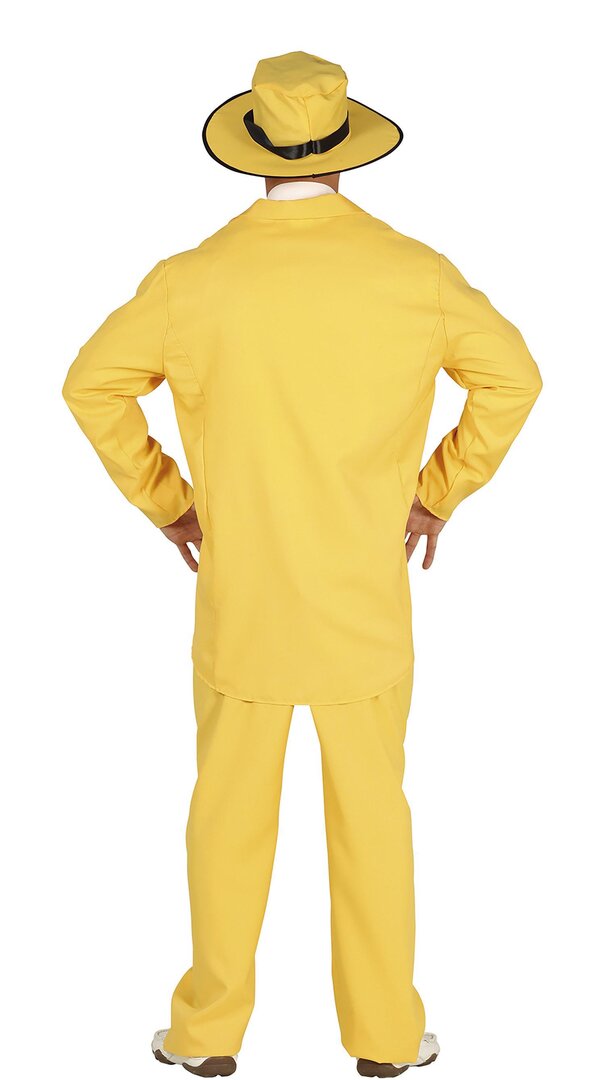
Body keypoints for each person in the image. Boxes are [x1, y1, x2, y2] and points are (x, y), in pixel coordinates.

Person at [62, 50, 542, 1079]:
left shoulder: (192, 281)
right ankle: (384, 1040)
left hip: (242, 607)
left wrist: (170, 504)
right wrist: (437, 490)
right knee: (373, 823)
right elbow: (513, 378)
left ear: (252, 150)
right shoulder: (413, 275)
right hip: (363, 605)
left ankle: (204, 1039)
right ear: (344, 149)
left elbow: (89, 384)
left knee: (225, 825)